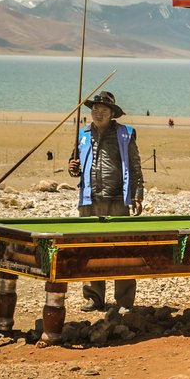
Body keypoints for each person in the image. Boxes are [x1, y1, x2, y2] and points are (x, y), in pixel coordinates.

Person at [67, 91, 144, 311]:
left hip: (118, 199)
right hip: (89, 200)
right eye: (95, 109)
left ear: (112, 114)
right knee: (91, 250)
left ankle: (124, 301)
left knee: (122, 250)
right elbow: (75, 164)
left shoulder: (125, 134)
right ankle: (93, 297)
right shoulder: (82, 134)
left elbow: (135, 166)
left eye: (104, 110)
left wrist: (138, 194)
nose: (98, 113)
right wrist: (72, 168)